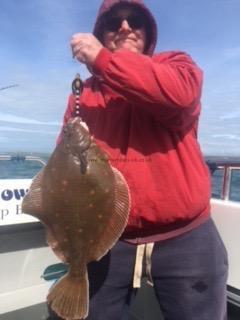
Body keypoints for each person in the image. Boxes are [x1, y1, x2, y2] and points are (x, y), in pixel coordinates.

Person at [55, 0, 228, 319]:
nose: (124, 27)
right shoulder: (84, 93)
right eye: (113, 22)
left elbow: (179, 95)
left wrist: (103, 60)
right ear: (100, 33)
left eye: (135, 20)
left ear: (149, 33)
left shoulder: (176, 65)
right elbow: (63, 161)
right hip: (106, 239)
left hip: (186, 237)